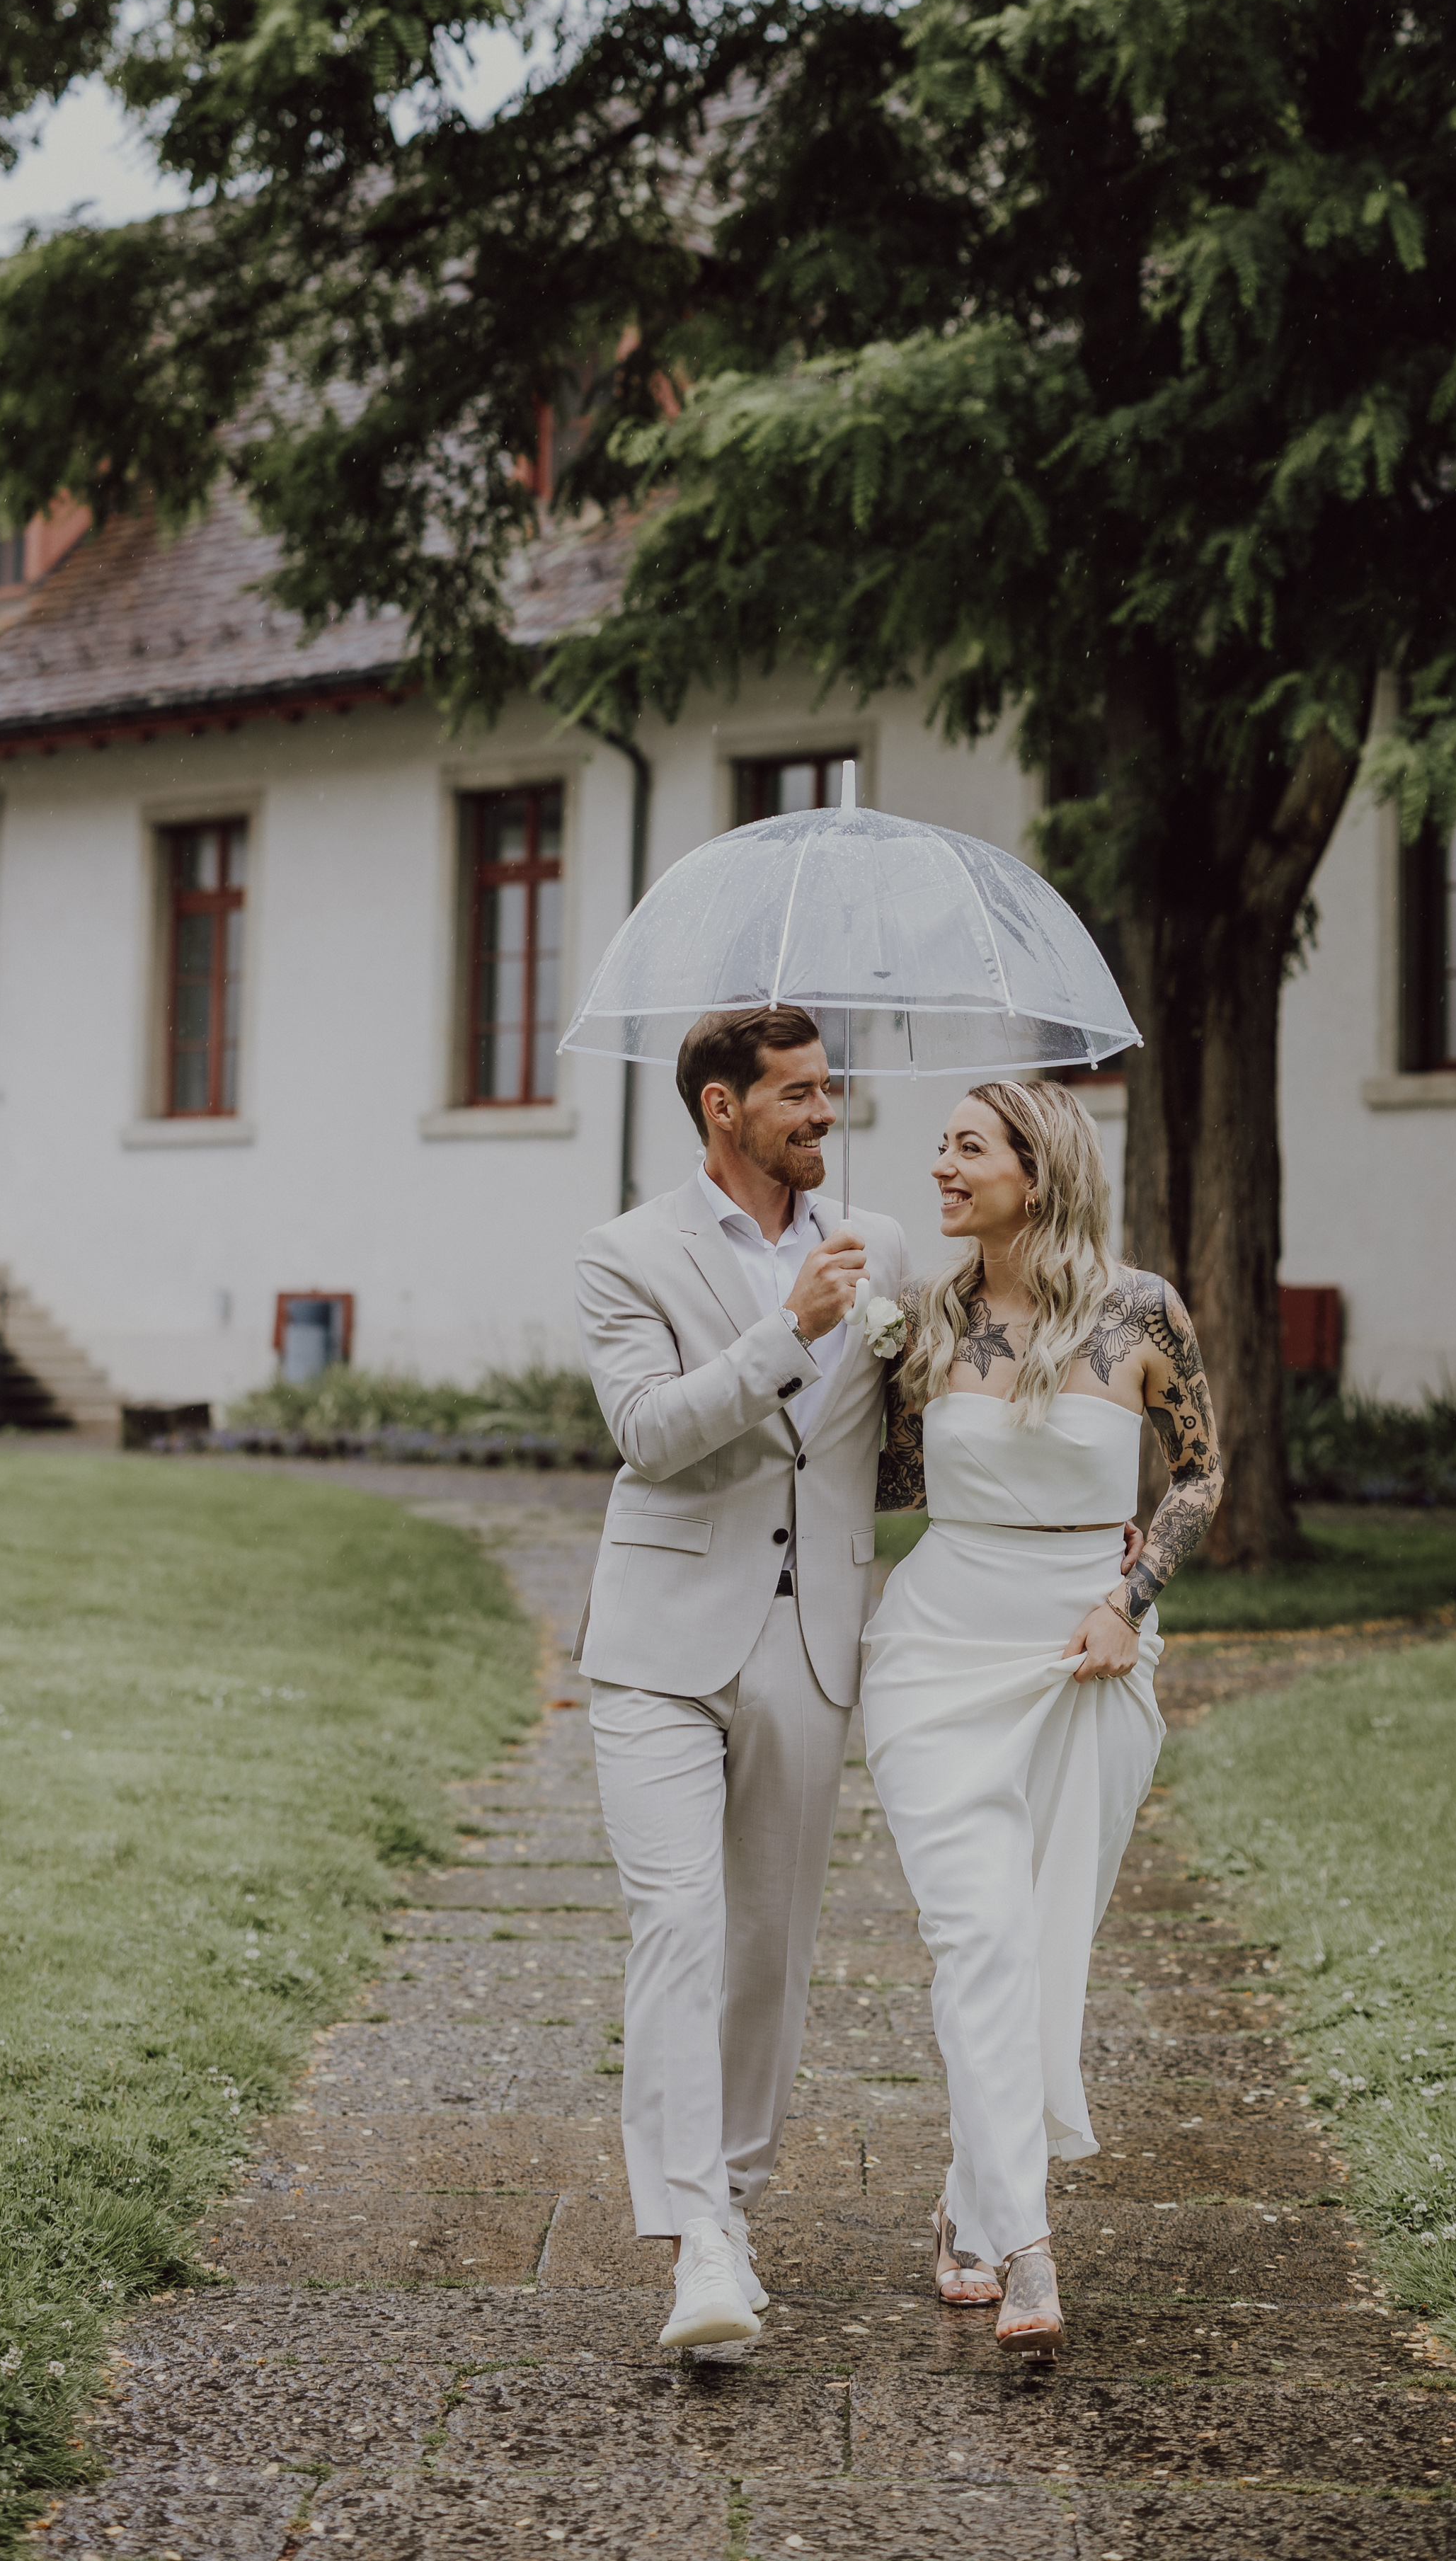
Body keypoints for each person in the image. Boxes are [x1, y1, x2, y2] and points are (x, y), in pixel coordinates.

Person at [864, 1079, 1223, 2355]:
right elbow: (895, 1487)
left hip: (1084, 1653)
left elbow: (1201, 1470)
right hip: (938, 1650)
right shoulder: (926, 1321)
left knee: (1043, 1940)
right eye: (942, 1147)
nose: (942, 1167)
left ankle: (969, 2206)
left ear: (1038, 1167)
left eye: (968, 1148)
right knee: (980, 1939)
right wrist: (851, 1361)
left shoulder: (1141, 1312)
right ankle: (1026, 2243)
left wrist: (1130, 1595)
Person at [573, 1004, 910, 2351]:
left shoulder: (878, 1244)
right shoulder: (625, 1253)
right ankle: (695, 2234)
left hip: (813, 1631)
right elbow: (649, 1432)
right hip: (660, 1638)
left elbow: (909, 1429)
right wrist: (786, 1327)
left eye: (831, 1091)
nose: (826, 1113)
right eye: (799, 1095)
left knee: (770, 1945)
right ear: (724, 1108)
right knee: (679, 1924)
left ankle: (738, 2199)